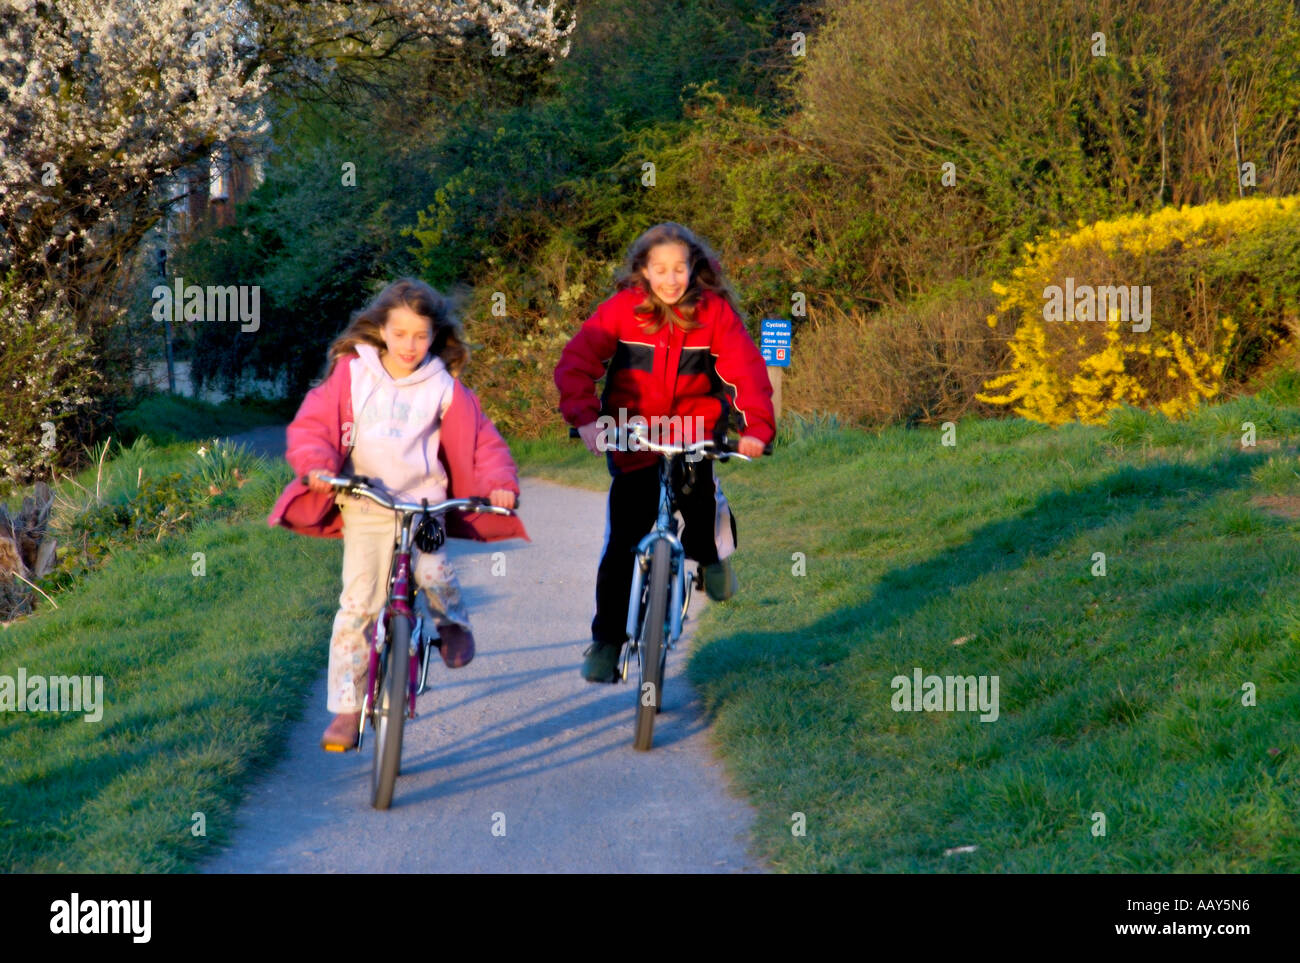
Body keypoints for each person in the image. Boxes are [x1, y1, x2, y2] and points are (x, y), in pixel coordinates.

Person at [268, 278, 528, 750]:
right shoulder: (353, 374)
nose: (410, 345)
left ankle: (452, 623)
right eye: (401, 333)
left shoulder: (443, 385)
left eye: (421, 335)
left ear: (434, 336)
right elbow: (314, 425)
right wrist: (317, 467)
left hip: (423, 505)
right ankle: (348, 708)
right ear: (381, 330)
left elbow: (484, 442)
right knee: (358, 606)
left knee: (435, 571)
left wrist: (500, 485)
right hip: (366, 501)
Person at [554, 222, 775, 683]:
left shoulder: (713, 314)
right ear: (643, 271)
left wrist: (755, 427)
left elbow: (746, 371)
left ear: (694, 268)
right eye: (660, 270)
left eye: (680, 269)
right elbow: (576, 362)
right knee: (622, 541)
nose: (671, 279)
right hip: (633, 434)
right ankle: (608, 641)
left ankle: (711, 559)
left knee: (698, 505)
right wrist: (586, 418)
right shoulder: (620, 311)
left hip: (693, 431)